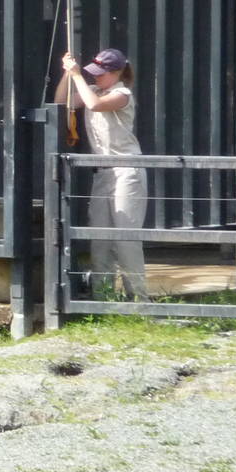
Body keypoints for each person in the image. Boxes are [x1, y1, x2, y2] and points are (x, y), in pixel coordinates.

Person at [55, 47, 149, 300]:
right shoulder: (93, 90)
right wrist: (67, 73)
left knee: (126, 239)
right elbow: (61, 103)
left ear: (116, 72)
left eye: (101, 74)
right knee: (99, 240)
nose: (96, 78)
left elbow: (95, 106)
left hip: (126, 170)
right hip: (101, 173)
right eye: (93, 73)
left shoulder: (122, 94)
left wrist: (77, 76)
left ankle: (139, 300)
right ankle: (103, 298)